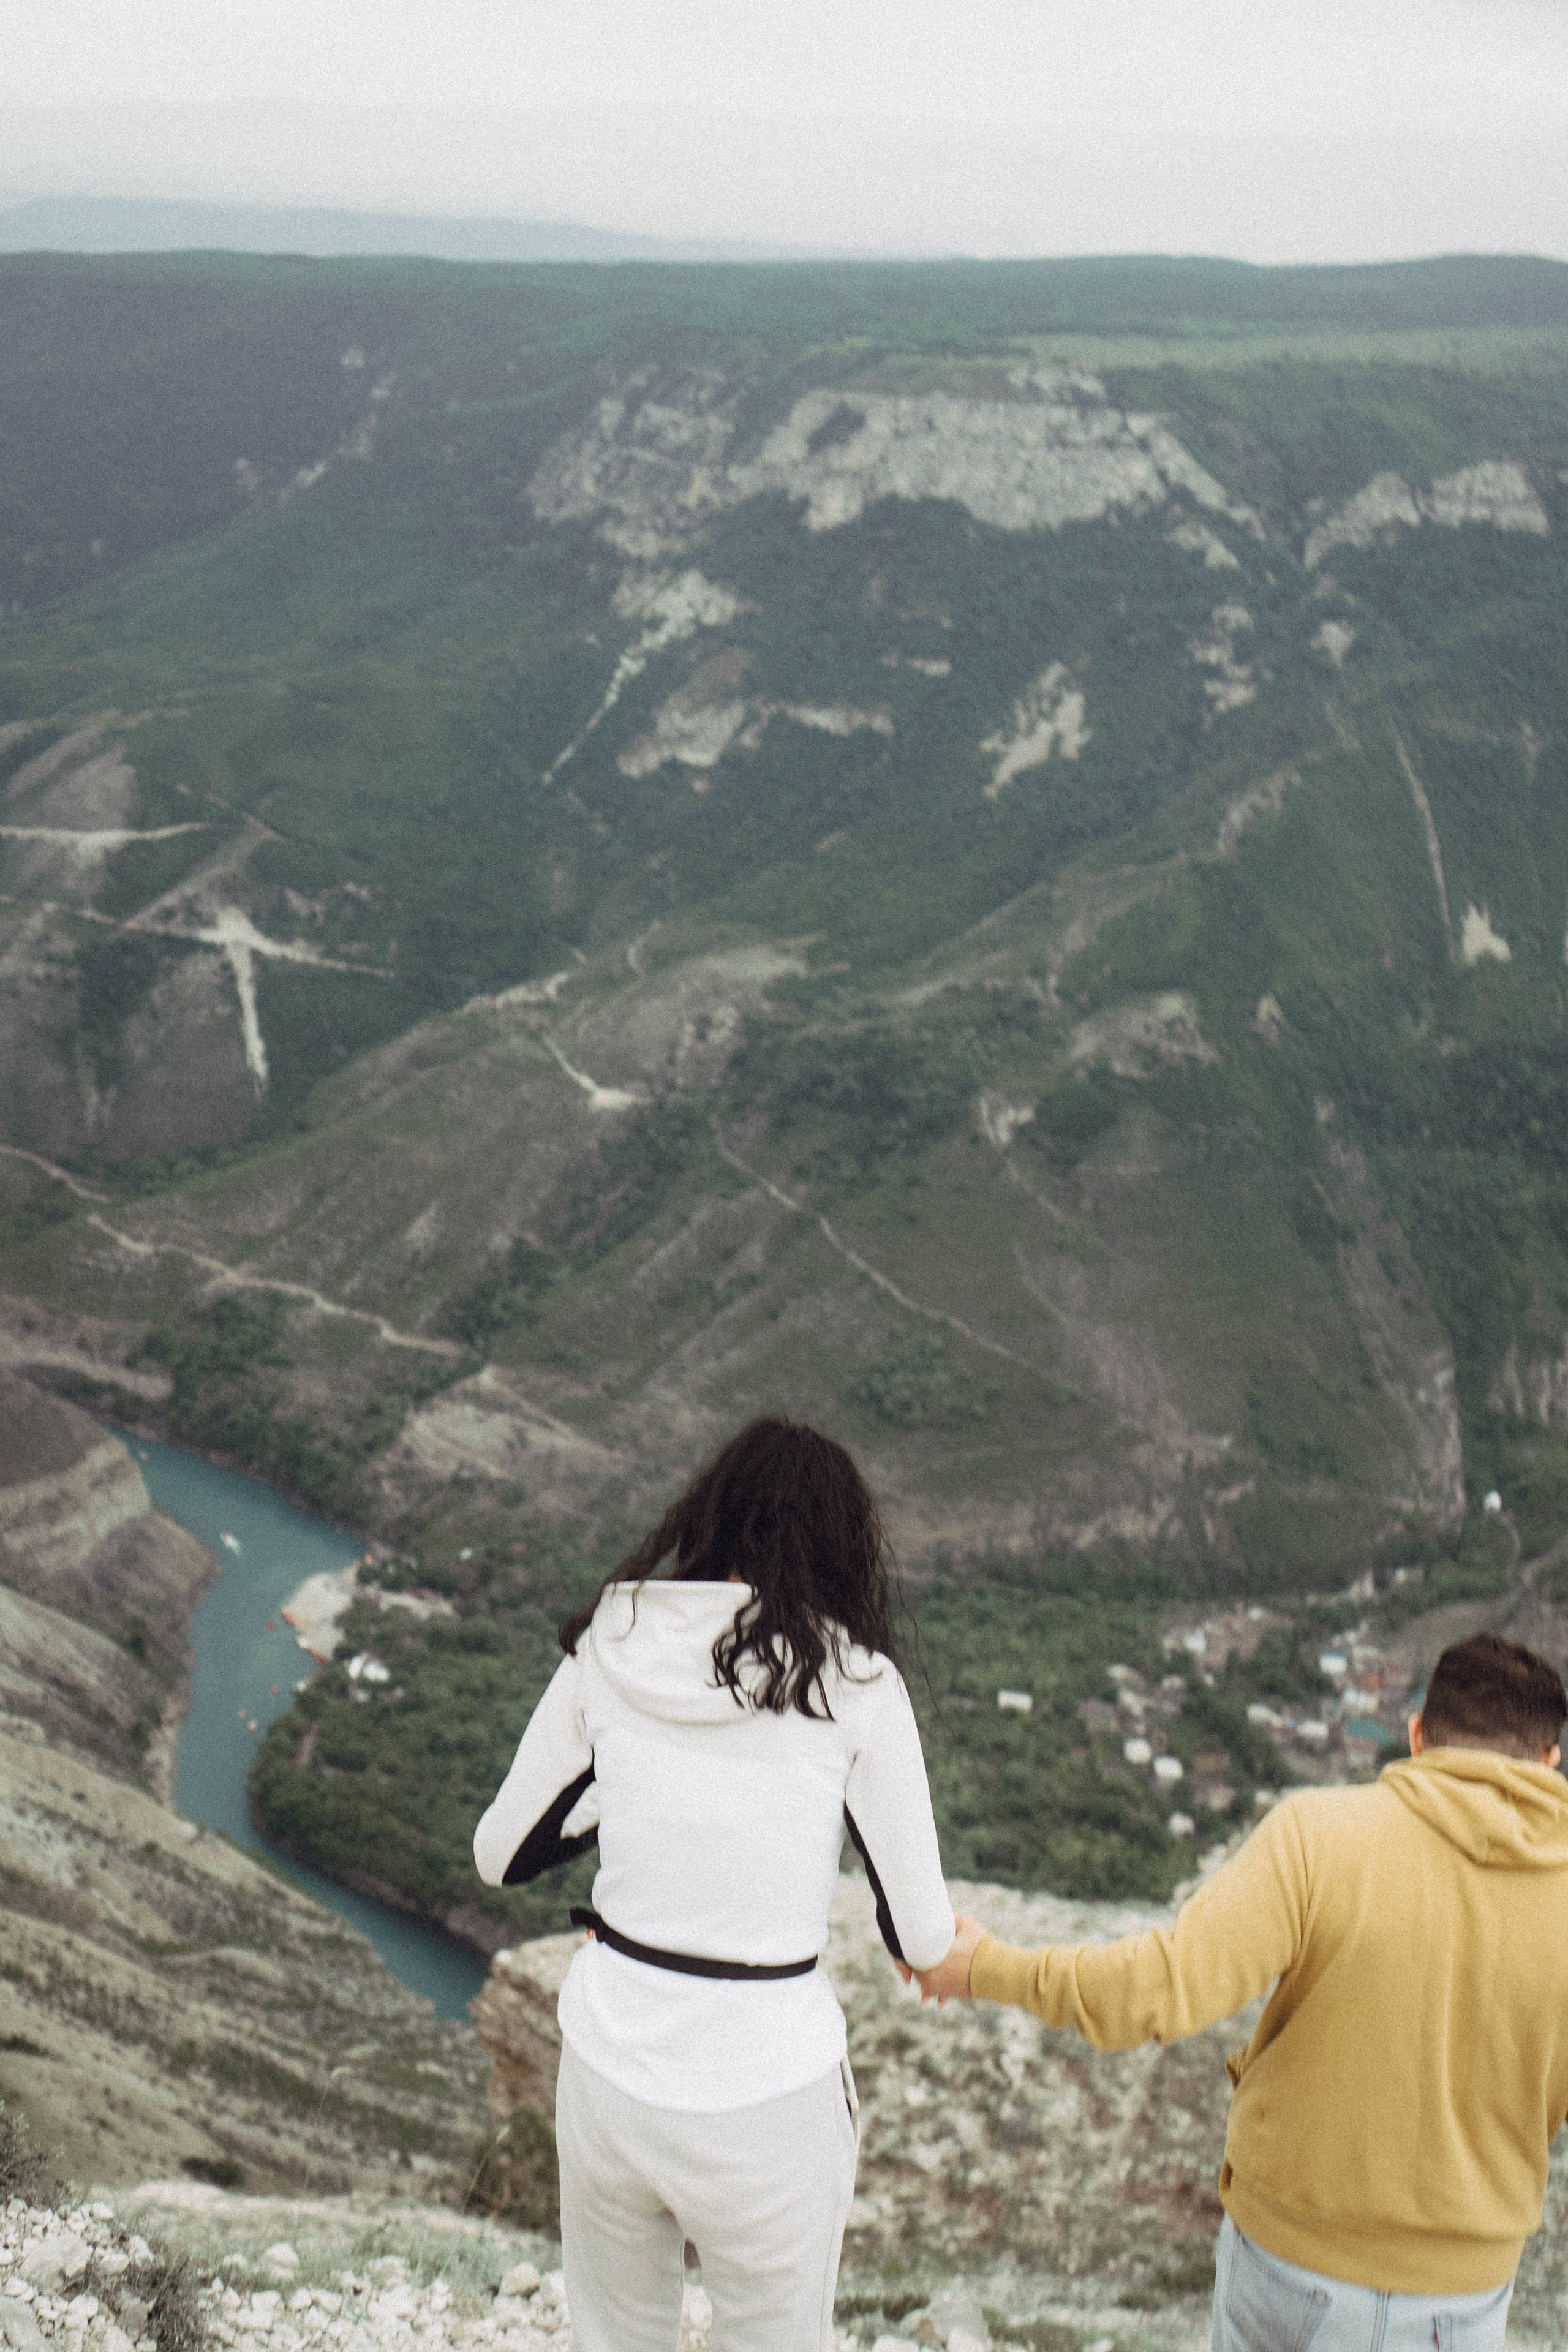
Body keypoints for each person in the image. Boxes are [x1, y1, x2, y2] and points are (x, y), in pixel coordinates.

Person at [911, 1630, 1568, 2352]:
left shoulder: (1320, 1836)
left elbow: (1161, 1987)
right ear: (1548, 1761)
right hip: (1461, 2301)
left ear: (1417, 1737)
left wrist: (984, 1967)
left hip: (1291, 2270)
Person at [473, 1418, 955, 2352]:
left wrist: (626, 1794)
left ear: (713, 1516)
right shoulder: (858, 1684)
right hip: (769, 2095)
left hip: (610, 2070)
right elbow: (922, 1936)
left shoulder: (614, 1642)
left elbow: (502, 1853)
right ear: (844, 1547)